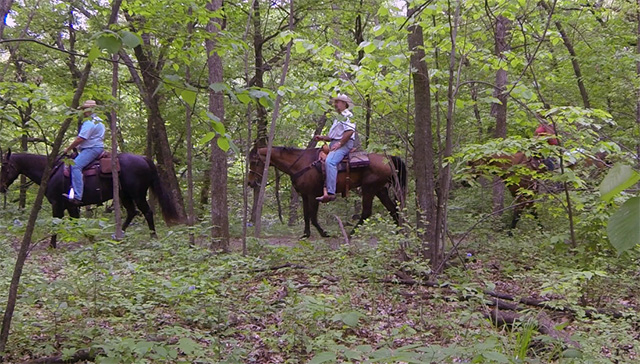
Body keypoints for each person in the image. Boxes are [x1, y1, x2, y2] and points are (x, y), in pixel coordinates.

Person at [314, 94, 356, 203]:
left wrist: (340, 143)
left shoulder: (348, 115)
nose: (335, 104)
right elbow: (334, 136)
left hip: (345, 144)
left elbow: (350, 131)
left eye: (338, 102)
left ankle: (331, 192)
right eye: (335, 102)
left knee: (330, 162)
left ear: (344, 104)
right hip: (336, 142)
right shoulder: (339, 118)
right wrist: (323, 138)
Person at [62, 100, 106, 205]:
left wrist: (68, 148)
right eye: (83, 109)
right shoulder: (99, 120)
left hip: (92, 148)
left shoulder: (90, 122)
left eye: (85, 109)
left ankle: (77, 196)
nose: (84, 111)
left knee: (76, 166)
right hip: (93, 147)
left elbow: (80, 139)